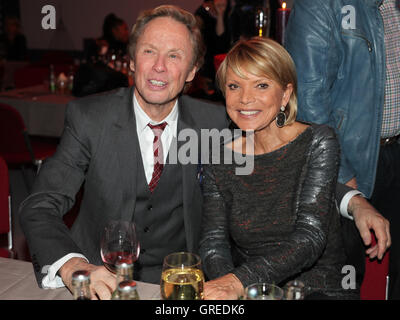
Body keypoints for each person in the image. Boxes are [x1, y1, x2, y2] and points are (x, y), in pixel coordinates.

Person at [19, 5, 389, 300]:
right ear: (132, 61)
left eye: (175, 56)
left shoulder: (218, 123)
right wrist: (74, 267)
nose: (160, 67)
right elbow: (40, 206)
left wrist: (353, 201)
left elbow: (285, 155)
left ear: (193, 71)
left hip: (183, 286)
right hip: (102, 281)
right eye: (149, 52)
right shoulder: (89, 118)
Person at [199, 36, 358, 300]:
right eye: (234, 86)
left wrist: (238, 282)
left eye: (261, 85)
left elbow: (310, 237)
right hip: (252, 293)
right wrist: (227, 290)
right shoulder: (219, 157)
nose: (245, 98)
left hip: (318, 290)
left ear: (285, 94)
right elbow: (213, 243)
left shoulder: (317, 141)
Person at [285, 0, 399, 299]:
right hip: (348, 158)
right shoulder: (320, 4)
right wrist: (341, 175)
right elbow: (307, 103)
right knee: (343, 278)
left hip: (395, 152)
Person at [193, 0, 232, 99]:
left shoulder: (229, 11)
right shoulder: (202, 13)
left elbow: (221, 39)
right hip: (207, 66)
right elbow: (196, 42)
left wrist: (220, 15)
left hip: (224, 62)